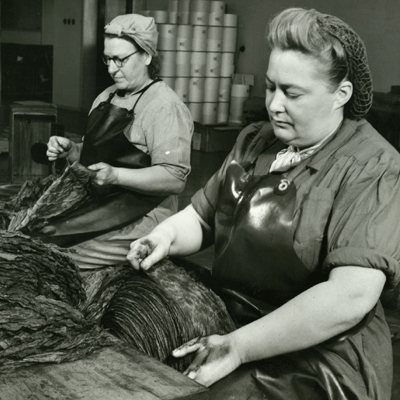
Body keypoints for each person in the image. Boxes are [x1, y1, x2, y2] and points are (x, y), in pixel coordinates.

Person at [127, 7, 400, 400]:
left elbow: (349, 298)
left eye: (292, 93)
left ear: (341, 94)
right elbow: (203, 218)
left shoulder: (372, 168)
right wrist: (166, 235)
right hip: (232, 320)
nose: (273, 104)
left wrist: (238, 347)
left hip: (320, 356)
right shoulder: (256, 141)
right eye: (271, 87)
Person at [45, 14, 193, 269]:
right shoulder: (105, 97)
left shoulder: (164, 106)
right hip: (103, 205)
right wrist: (71, 151)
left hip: (145, 214)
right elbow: (95, 155)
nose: (112, 69)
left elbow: (174, 178)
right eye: (108, 59)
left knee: (68, 259)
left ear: (146, 55)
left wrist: (116, 176)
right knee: (43, 235)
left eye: (120, 60)